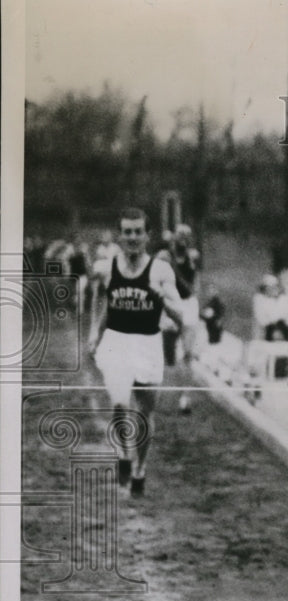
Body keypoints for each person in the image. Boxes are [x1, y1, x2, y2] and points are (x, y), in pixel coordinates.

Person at [87, 207, 184, 497]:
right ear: (119, 235)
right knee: (119, 403)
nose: (132, 237)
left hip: (148, 343)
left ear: (147, 235)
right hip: (117, 341)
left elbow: (181, 315)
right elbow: (104, 303)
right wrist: (95, 331)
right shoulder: (107, 268)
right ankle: (123, 454)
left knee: (144, 412)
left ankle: (140, 467)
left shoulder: (160, 270)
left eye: (137, 232)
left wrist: (161, 299)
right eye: (126, 232)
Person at [158, 223, 203, 413]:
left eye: (187, 236)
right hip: (171, 305)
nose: (183, 239)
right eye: (180, 235)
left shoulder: (193, 258)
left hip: (188, 304)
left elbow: (197, 283)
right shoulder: (164, 257)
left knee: (187, 354)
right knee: (168, 357)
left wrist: (196, 306)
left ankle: (186, 397)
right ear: (174, 238)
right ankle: (169, 391)